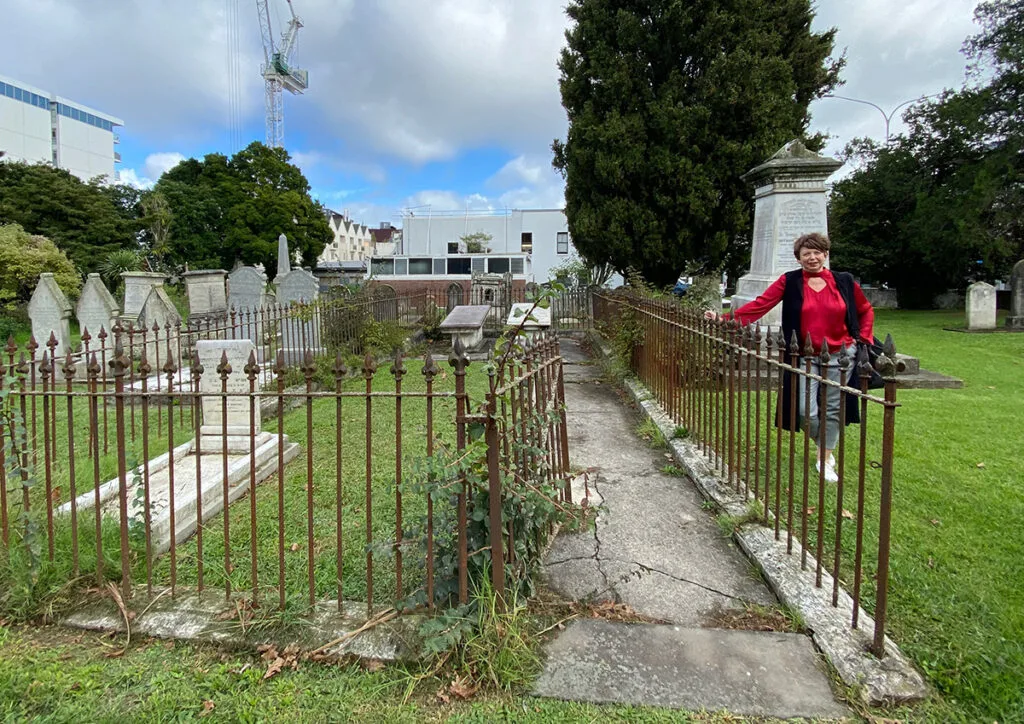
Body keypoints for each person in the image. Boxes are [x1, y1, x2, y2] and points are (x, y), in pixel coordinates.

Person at [705, 233, 874, 482]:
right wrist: (727, 319)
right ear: (799, 258)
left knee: (834, 408)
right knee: (806, 410)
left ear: (825, 254)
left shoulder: (844, 281)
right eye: (806, 253)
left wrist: (864, 339)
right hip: (805, 356)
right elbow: (761, 304)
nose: (812, 257)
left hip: (841, 355)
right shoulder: (790, 281)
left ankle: (824, 458)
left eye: (817, 252)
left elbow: (865, 310)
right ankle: (823, 440)